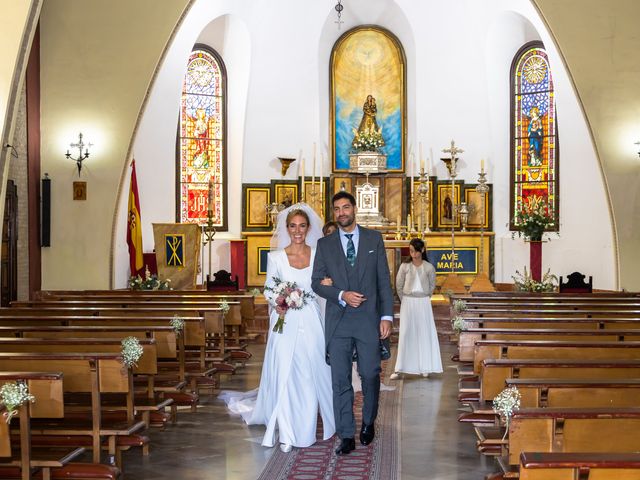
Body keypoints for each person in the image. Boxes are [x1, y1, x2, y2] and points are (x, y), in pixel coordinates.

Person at [220, 203, 335, 453]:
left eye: (302, 226)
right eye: (293, 226)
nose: (297, 231)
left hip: (311, 321)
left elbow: (322, 285)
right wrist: (280, 301)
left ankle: (305, 427)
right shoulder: (275, 257)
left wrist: (326, 283)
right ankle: (287, 430)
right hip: (285, 321)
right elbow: (270, 289)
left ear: (308, 228)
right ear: (287, 228)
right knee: (286, 373)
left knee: (309, 374)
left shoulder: (318, 254)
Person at [312, 191, 394, 456]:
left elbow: (383, 280)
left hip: (369, 319)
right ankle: (346, 434)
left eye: (346, 207)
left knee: (370, 374)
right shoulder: (325, 245)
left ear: (355, 208)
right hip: (339, 322)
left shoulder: (374, 239)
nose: (341, 213)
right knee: (340, 381)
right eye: (337, 209)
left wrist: (387, 316)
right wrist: (339, 294)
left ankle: (368, 422)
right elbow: (316, 283)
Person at [390, 238, 443, 379]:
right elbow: (399, 285)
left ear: (422, 250)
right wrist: (405, 299)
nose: (413, 254)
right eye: (411, 251)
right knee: (406, 333)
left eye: (415, 251)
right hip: (408, 302)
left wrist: (425, 298)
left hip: (423, 302)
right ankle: (400, 368)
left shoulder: (429, 267)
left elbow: (432, 286)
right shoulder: (405, 266)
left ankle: (425, 367)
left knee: (424, 332)